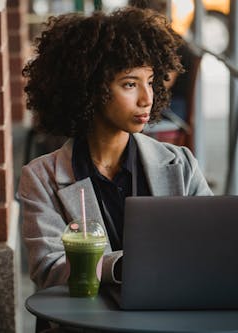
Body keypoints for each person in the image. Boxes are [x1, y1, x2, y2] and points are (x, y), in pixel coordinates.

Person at [18, 6, 213, 292]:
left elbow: (212, 246)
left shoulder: (181, 164)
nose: (147, 98)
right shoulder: (41, 177)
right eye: (130, 84)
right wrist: (124, 266)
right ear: (90, 89)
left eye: (150, 81)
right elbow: (49, 269)